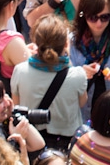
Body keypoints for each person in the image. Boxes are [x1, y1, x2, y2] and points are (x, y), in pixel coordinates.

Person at [10, 16, 88, 150]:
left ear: (35, 42)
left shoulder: (20, 71)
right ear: (65, 44)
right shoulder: (78, 75)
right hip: (67, 145)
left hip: (33, 143)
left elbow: (16, 106)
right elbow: (82, 102)